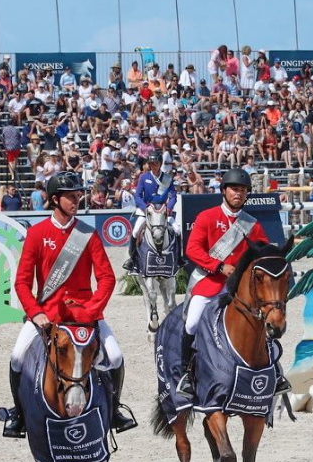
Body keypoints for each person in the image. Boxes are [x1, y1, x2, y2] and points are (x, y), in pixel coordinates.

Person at [3, 171, 134, 437]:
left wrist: (93, 309)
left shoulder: (87, 234)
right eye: (70, 197)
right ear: (54, 200)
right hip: (47, 313)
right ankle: (18, 414)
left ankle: (115, 411)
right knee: (17, 357)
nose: (76, 201)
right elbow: (22, 283)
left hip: (85, 312)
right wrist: (36, 313)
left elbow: (107, 277)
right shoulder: (37, 234)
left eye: (78, 196)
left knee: (116, 355)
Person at [176, 168, 290, 399]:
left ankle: (275, 372)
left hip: (241, 288)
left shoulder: (253, 225)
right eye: (234, 189)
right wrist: (218, 266)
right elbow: (192, 249)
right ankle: (187, 374)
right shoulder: (206, 217)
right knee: (192, 322)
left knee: (264, 321)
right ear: (224, 191)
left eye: (243, 190)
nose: (238, 193)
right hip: (210, 281)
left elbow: (264, 255)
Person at [123, 151, 177, 273]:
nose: (153, 165)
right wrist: (144, 208)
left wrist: (169, 208)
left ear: (160, 163)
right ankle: (132, 260)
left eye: (156, 163)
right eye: (151, 163)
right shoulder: (144, 177)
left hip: (163, 209)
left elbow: (173, 196)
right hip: (148, 209)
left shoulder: (167, 178)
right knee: (136, 231)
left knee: (177, 230)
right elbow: (137, 196)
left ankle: (178, 258)